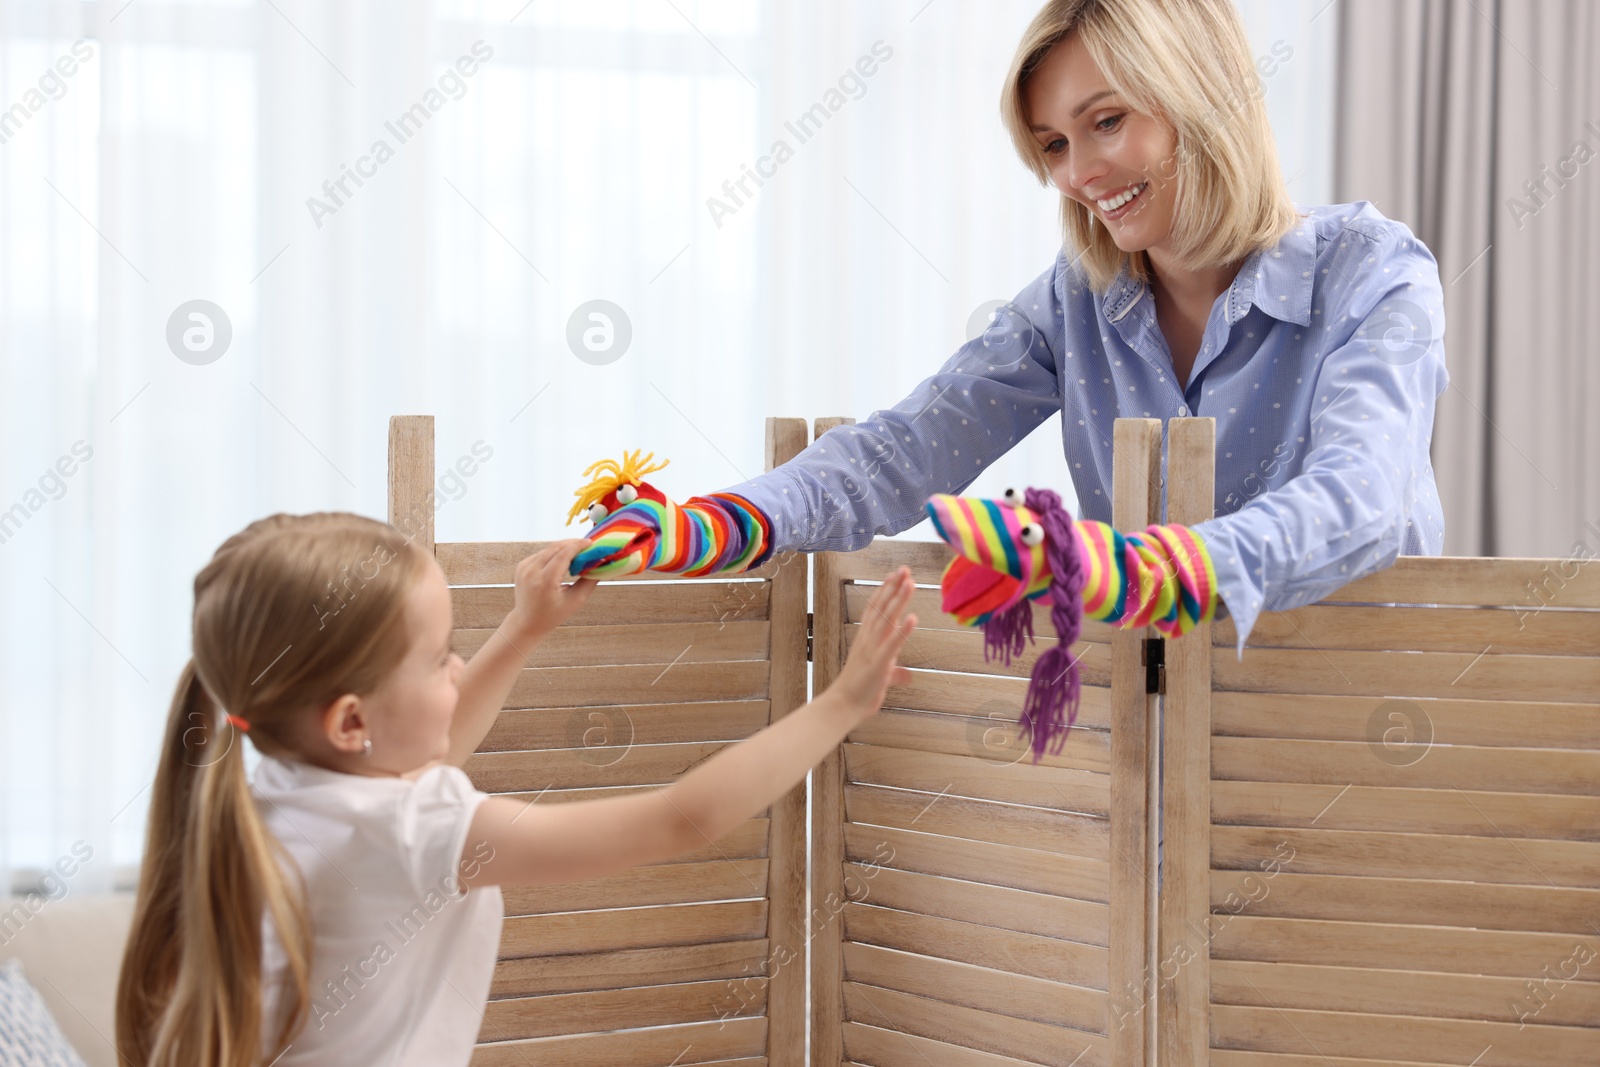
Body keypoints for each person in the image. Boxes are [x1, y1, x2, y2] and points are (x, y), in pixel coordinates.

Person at [580, 0, 1448, 654]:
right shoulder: (1078, 300)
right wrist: (728, 520)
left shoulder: (1372, 273)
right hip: (1157, 740)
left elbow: (1362, 503)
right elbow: (904, 449)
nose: (1081, 172)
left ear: (1206, 99)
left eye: (1106, 121)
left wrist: (1142, 569)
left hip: (1355, 720)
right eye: (1054, 145)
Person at [113, 512, 917, 1067]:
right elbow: (682, 817)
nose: (456, 667)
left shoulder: (271, 789)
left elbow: (423, 765)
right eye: (438, 657)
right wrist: (840, 702)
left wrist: (525, 627)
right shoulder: (413, 825)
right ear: (351, 720)